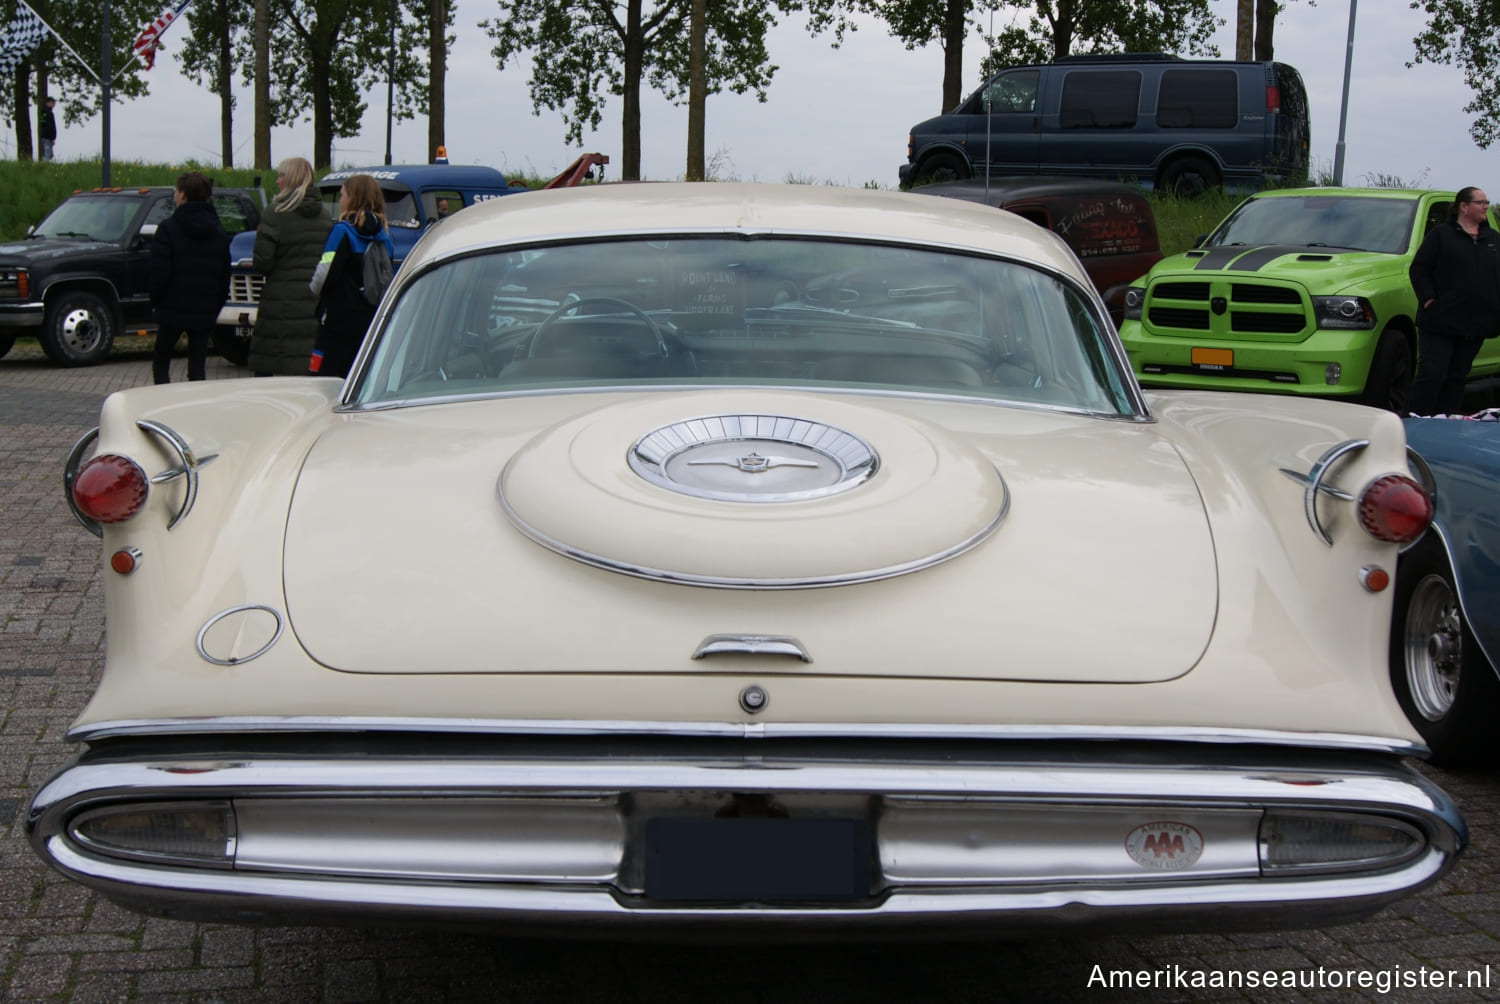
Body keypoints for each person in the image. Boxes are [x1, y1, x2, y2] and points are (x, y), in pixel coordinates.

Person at [1407, 186, 1500, 415]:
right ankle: (1416, 420)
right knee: (1433, 373)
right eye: (1480, 202)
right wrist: (1429, 301)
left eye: (1486, 201)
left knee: (1457, 376)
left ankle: (1447, 423)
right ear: (1464, 207)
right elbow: (1419, 269)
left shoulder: (1493, 239)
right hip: (1440, 321)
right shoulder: (1441, 235)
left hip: (1476, 324)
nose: (1485, 206)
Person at [247, 156, 332, 376]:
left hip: (279, 303)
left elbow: (263, 263)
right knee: (304, 368)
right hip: (313, 300)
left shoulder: (275, 213)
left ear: (290, 179)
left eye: (281, 175)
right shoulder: (324, 216)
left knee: (271, 373)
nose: (277, 181)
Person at [308, 173, 394, 378]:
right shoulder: (384, 238)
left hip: (337, 322)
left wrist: (314, 291)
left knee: (323, 382)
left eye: (343, 195)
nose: (340, 200)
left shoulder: (342, 231)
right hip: (369, 321)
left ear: (353, 198)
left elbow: (324, 274)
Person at [149, 172, 231, 384]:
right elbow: (224, 274)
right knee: (197, 366)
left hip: (171, 306)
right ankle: (195, 407)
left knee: (161, 360)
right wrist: (215, 305)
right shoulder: (218, 231)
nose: (174, 195)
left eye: (176, 191)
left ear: (183, 195)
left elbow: (159, 271)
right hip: (204, 307)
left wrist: (157, 300)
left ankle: (162, 401)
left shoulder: (168, 229)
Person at [38, 97, 56, 161]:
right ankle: (43, 165)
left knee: (50, 154)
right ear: (48, 103)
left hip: (47, 136)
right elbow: (47, 126)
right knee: (47, 153)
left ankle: (44, 163)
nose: (54, 104)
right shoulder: (46, 113)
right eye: (52, 103)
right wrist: (51, 137)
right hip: (46, 136)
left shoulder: (48, 113)